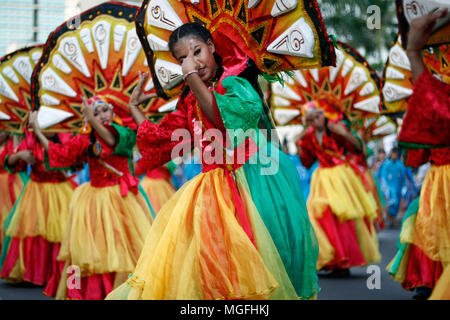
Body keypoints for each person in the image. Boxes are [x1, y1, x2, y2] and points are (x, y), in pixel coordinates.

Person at [106, 22, 319, 300]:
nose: (191, 62)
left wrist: (191, 78)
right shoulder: (188, 101)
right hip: (211, 191)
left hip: (254, 183)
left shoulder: (235, 83)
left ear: (211, 46)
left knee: (262, 258)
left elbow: (222, 122)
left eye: (197, 51)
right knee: (213, 266)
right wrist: (135, 110)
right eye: (182, 59)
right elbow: (163, 140)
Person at [30, 96, 152, 300]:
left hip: (122, 201)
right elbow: (59, 154)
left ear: (113, 113)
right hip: (93, 203)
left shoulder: (124, 132)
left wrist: (90, 118)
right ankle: (94, 293)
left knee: (126, 250)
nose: (102, 115)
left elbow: (112, 141)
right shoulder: (84, 139)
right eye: (96, 112)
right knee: (91, 253)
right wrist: (37, 130)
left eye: (105, 110)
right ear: (87, 119)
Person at [386, 8, 449, 300]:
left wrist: (413, 52)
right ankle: (430, 278)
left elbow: (439, 112)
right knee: (428, 225)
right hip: (439, 178)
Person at [296, 104, 381, 277]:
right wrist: (297, 143)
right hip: (322, 180)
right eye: (310, 119)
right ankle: (328, 259)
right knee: (319, 217)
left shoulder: (336, 128)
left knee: (342, 218)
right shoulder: (310, 135)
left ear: (323, 114)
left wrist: (344, 133)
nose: (315, 121)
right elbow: (306, 162)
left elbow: (358, 150)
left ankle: (343, 262)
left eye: (318, 116)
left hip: (342, 179)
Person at [0, 128, 75, 286]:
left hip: (60, 190)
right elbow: (11, 164)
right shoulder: (30, 140)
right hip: (35, 192)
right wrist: (20, 155)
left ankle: (60, 274)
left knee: (61, 233)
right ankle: (36, 273)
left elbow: (67, 159)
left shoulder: (65, 137)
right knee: (34, 231)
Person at [0, 133, 26, 253]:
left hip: (13, 186)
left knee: (11, 222)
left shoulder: (12, 142)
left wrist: (15, 135)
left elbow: (16, 159)